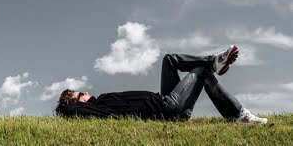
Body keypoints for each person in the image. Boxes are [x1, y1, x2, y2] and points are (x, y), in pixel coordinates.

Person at [55, 45, 268, 124]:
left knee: (169, 59)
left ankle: (213, 61)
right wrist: (70, 103)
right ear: (77, 104)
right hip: (167, 109)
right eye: (78, 94)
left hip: (163, 99)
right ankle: (240, 115)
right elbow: (71, 111)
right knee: (201, 73)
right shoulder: (91, 110)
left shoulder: (101, 100)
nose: (84, 92)